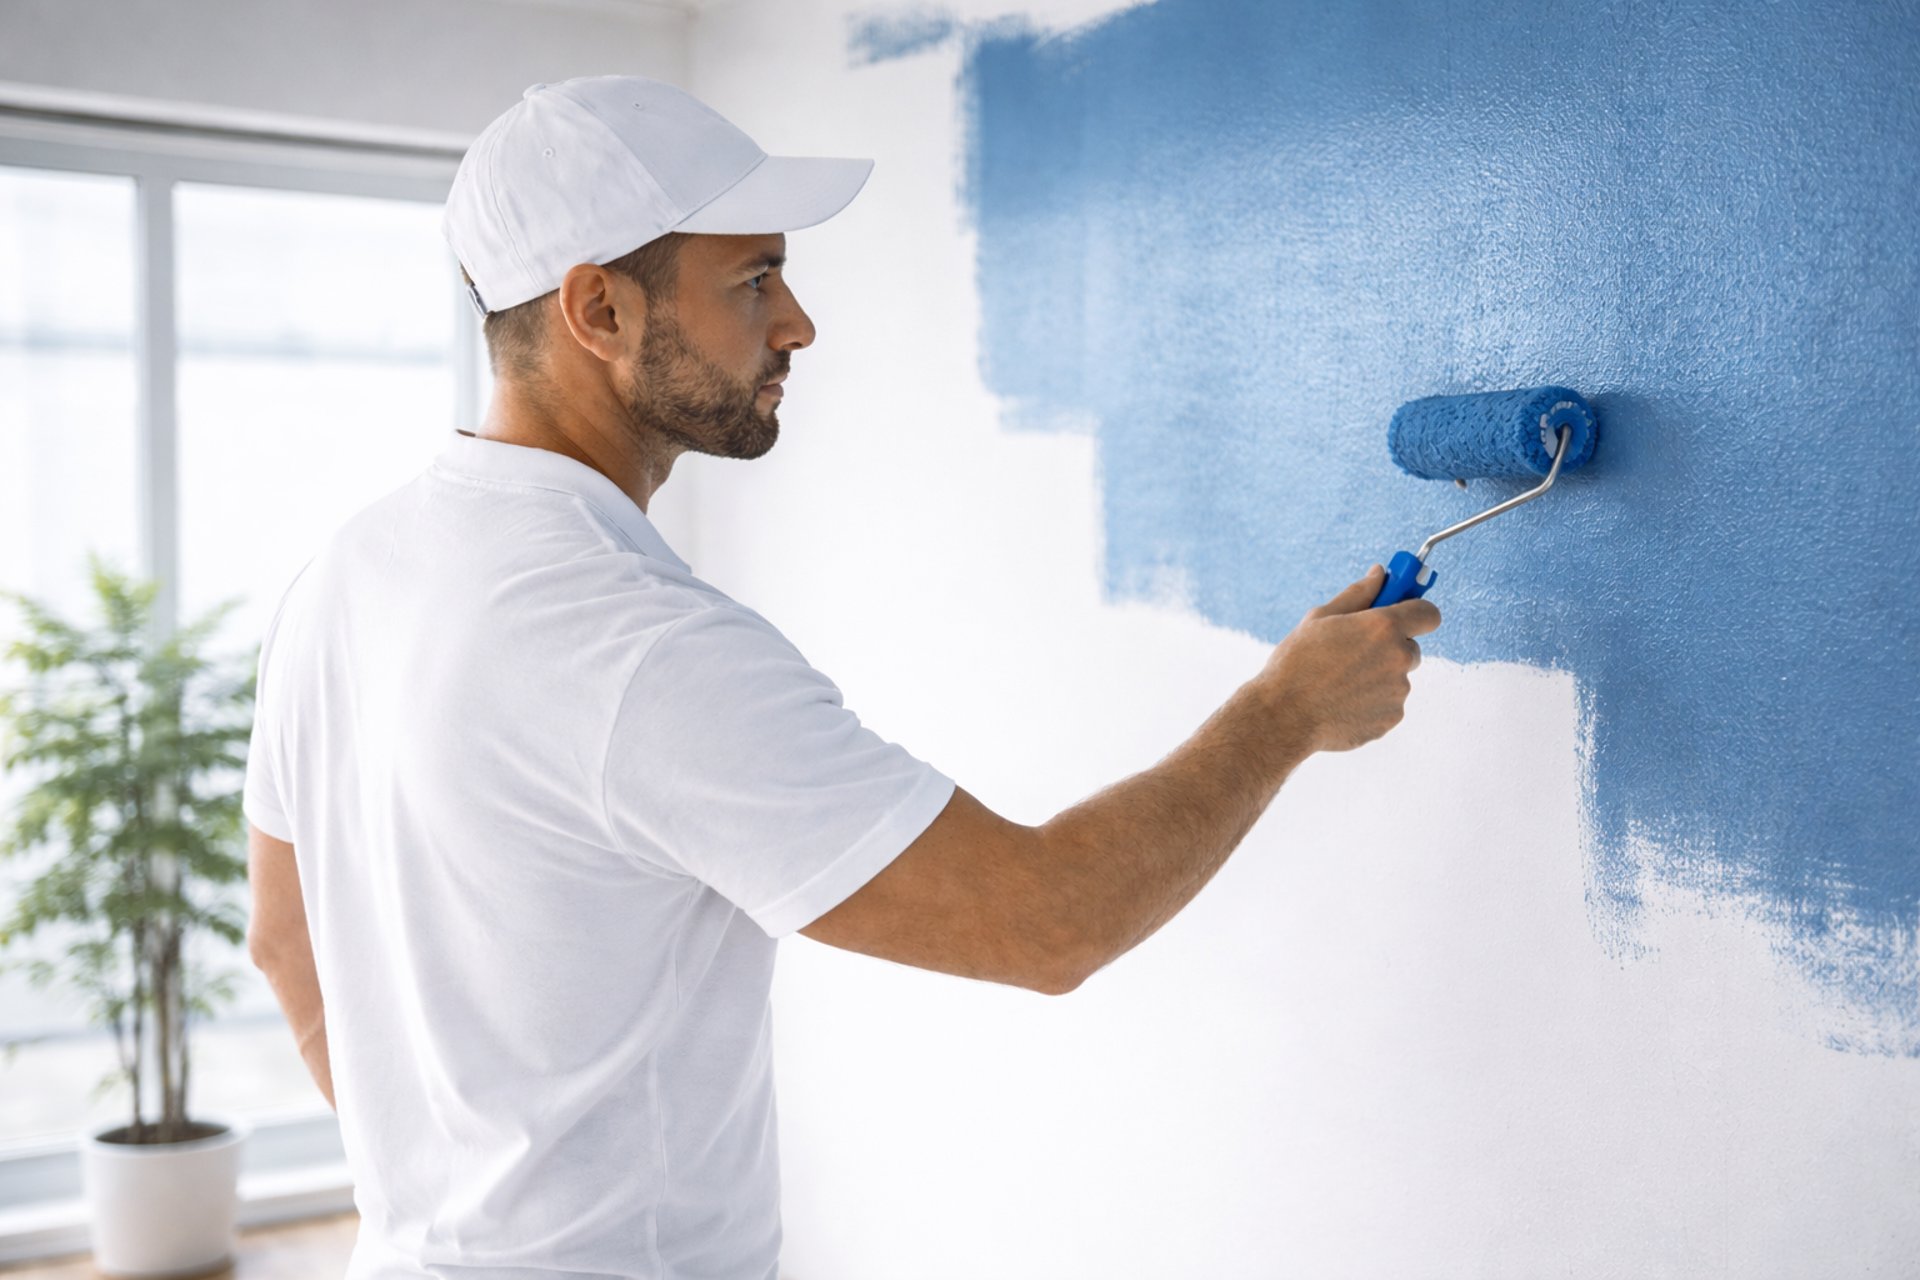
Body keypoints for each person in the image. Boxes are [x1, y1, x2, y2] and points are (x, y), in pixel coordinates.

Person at [243, 73, 1441, 1280]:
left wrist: (462, 1203)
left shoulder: (344, 577)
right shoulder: (639, 647)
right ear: (597, 309)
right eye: (753, 278)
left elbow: (285, 947)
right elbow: (1047, 922)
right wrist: (1284, 712)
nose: (797, 321)